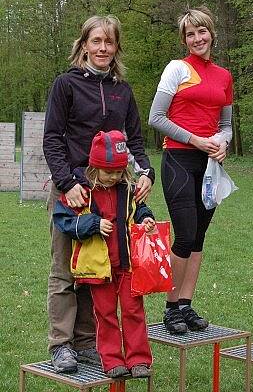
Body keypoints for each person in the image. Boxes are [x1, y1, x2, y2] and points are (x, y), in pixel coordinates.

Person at [43, 15, 155, 373]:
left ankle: (88, 343)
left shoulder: (123, 89)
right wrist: (67, 183)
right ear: (84, 45)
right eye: (96, 41)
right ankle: (62, 345)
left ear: (116, 46)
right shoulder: (66, 84)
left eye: (109, 42)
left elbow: (135, 140)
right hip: (73, 191)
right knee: (66, 270)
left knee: (103, 270)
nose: (102, 48)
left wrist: (146, 173)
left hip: (115, 191)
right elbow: (52, 139)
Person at [148, 6, 233, 335]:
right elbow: (156, 118)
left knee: (198, 237)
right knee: (184, 234)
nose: (197, 38)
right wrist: (196, 140)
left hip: (211, 164)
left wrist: (222, 143)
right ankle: (171, 308)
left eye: (202, 31)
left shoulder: (224, 76)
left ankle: (186, 303)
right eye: (190, 34)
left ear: (211, 33)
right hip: (179, 160)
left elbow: (226, 125)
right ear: (184, 39)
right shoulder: (177, 69)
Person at [53, 130, 154, 378]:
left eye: (119, 172)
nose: (113, 177)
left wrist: (146, 218)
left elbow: (138, 209)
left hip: (128, 265)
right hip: (99, 268)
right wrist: (93, 224)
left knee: (134, 311)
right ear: (94, 167)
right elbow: (63, 220)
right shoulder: (81, 192)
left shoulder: (128, 188)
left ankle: (139, 360)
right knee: (105, 314)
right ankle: (111, 361)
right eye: (108, 172)